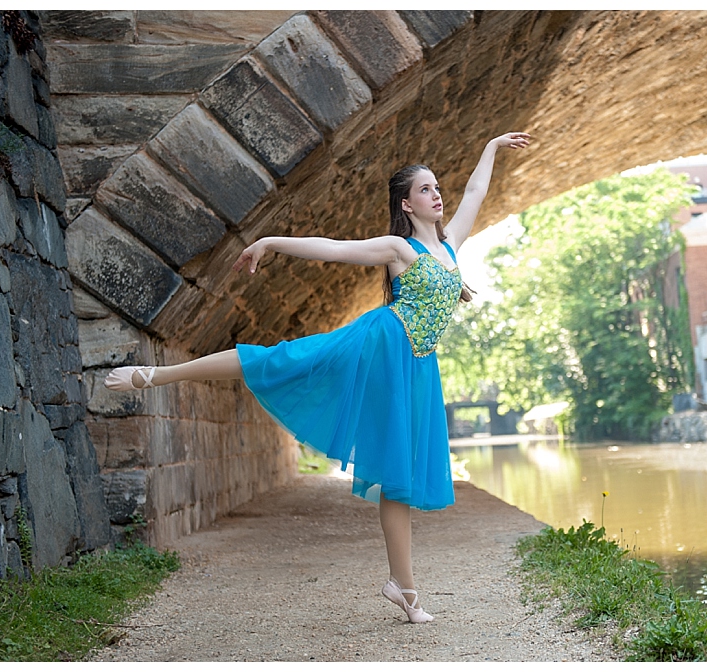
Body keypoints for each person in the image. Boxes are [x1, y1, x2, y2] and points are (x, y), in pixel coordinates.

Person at [105, 131, 532, 623]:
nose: (438, 194)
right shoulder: (399, 248)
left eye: (438, 187)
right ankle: (154, 375)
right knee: (277, 361)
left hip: (416, 367)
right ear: (407, 204)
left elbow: (477, 191)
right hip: (379, 347)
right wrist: (269, 242)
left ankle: (404, 589)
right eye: (426, 189)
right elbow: (332, 249)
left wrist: (491, 147)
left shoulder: (452, 247)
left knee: (399, 478)